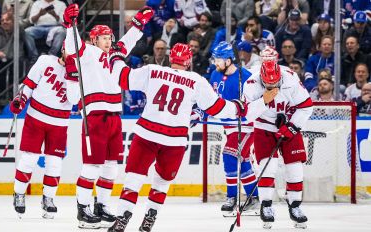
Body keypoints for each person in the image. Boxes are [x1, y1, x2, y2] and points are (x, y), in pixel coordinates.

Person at [107, 41, 249, 232]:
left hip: (146, 135)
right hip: (174, 140)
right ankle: (150, 218)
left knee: (133, 179)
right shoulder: (197, 80)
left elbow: (123, 78)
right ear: (188, 61)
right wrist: (237, 107)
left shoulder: (152, 70)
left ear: (170, 58)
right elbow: (217, 108)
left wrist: (116, 57)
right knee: (162, 182)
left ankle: (122, 219)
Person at [63, 4, 154, 229]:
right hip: (95, 115)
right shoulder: (86, 52)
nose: (108, 41)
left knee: (111, 166)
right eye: (103, 37)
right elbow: (71, 46)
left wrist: (139, 25)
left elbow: (128, 41)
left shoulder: (115, 54)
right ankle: (82, 210)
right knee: (92, 165)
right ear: (94, 40)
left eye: (109, 37)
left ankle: (101, 206)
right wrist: (68, 25)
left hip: (115, 115)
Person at [243, 47, 313, 229]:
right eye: (268, 85)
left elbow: (306, 106)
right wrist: (264, 100)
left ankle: (295, 206)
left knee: (295, 168)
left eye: (275, 84)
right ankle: (266, 206)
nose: (272, 87)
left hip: (288, 125)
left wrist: (291, 126)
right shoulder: (251, 83)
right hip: (263, 127)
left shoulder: (290, 77)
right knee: (268, 168)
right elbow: (248, 115)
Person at [10, 47, 75, 219]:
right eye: (70, 51)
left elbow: (75, 99)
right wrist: (20, 100)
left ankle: (49, 199)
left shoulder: (80, 74)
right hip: (35, 118)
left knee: (54, 162)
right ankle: (19, 194)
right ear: (63, 49)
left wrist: (72, 74)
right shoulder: (45, 61)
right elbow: (29, 84)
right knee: (29, 158)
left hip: (60, 123)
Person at [209, 41, 259, 216]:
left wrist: (245, 104)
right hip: (229, 127)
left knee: (230, 155)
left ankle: (232, 197)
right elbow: (210, 100)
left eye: (219, 59)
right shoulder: (215, 75)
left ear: (229, 60)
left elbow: (257, 102)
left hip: (245, 126)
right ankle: (254, 198)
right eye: (215, 59)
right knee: (243, 161)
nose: (216, 63)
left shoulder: (245, 77)